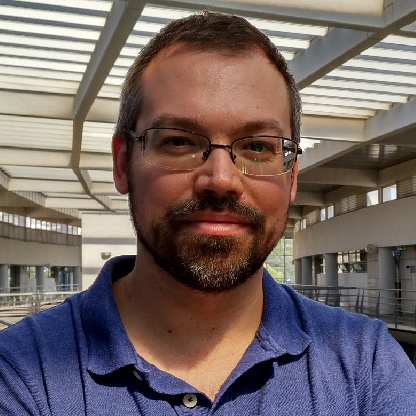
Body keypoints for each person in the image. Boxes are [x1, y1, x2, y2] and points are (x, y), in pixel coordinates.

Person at [0, 12, 415, 416]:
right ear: (123, 163)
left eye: (258, 146)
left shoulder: (367, 363)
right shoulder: (20, 373)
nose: (220, 179)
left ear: (291, 178)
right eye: (179, 141)